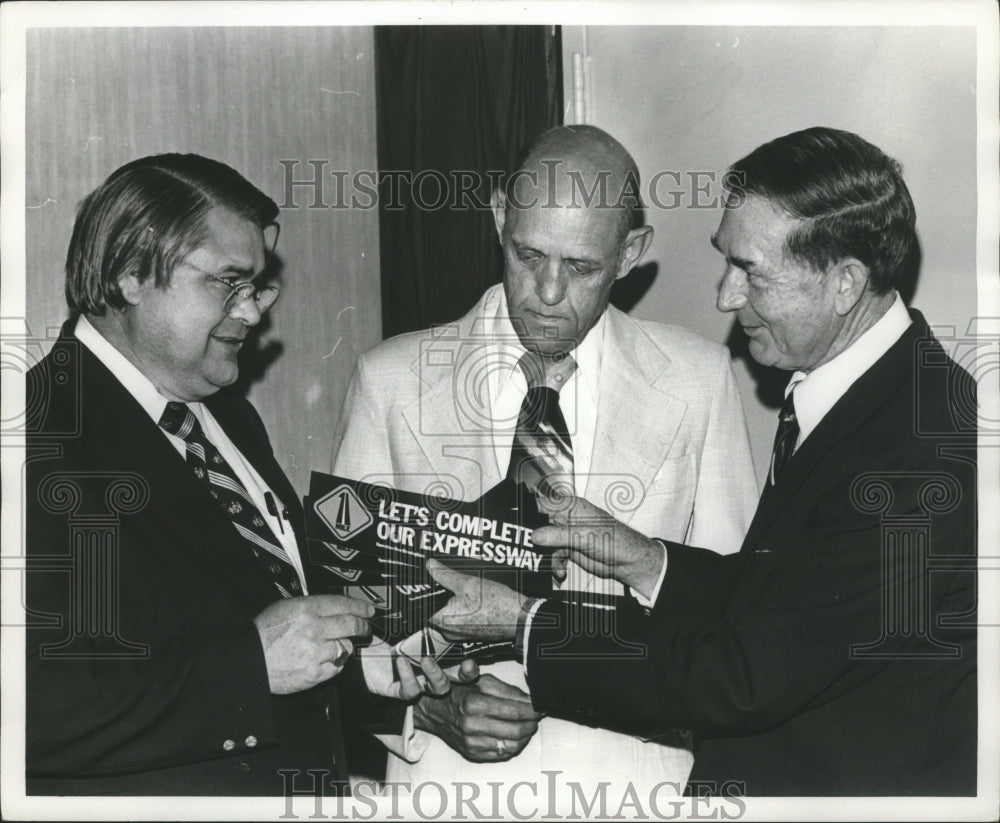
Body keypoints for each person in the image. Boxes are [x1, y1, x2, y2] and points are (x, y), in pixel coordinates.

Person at [428, 127, 978, 796]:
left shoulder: (912, 452)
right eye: (727, 262)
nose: (724, 296)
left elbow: (741, 676)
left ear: (845, 283)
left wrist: (522, 622)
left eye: (751, 272)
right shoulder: (865, 392)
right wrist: (641, 556)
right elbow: (780, 604)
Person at [332, 125, 759, 794]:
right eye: (528, 254)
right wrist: (424, 707)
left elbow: (730, 611)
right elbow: (350, 609)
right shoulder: (389, 380)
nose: (549, 292)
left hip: (637, 787)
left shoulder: (699, 378)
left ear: (630, 254)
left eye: (582, 267)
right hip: (451, 787)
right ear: (500, 217)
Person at [24, 154, 442, 796]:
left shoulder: (230, 420)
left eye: (258, 288)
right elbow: (32, 710)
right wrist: (250, 667)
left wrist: (365, 669)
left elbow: (254, 620)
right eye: (228, 283)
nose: (251, 313)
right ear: (130, 273)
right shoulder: (34, 436)